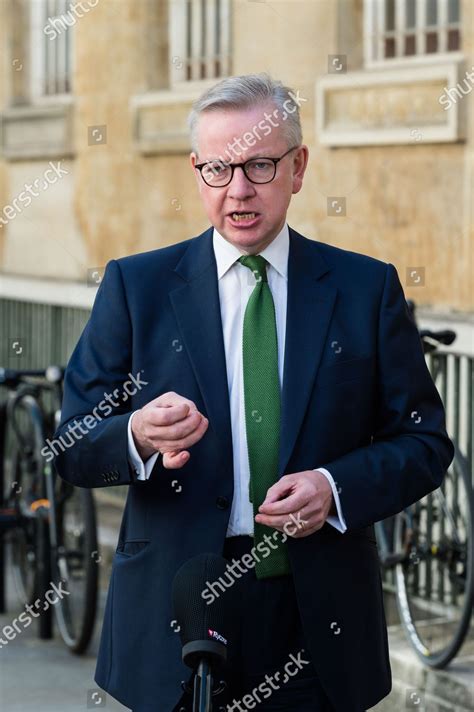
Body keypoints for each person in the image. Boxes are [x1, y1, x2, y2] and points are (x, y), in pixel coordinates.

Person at [53, 73, 454, 712]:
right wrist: (133, 436)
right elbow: (69, 447)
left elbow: (425, 442)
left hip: (316, 620)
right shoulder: (138, 287)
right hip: (179, 615)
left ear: (297, 168)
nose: (237, 190)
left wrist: (334, 486)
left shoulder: (365, 289)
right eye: (218, 168)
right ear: (196, 171)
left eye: (259, 166)